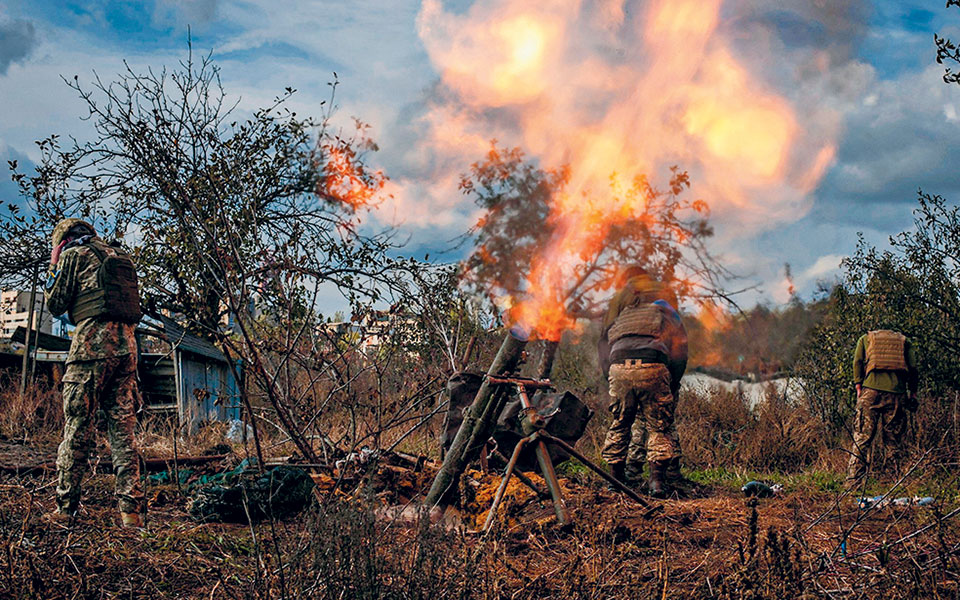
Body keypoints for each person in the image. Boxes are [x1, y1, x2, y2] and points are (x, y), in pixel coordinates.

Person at [44, 218, 145, 527]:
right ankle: (132, 515)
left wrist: (54, 264)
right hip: (127, 350)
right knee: (123, 433)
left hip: (90, 351)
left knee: (77, 429)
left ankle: (65, 508)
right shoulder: (118, 256)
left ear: (62, 241)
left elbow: (55, 304)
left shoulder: (73, 256)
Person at [598, 266, 686, 497]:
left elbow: (603, 343)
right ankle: (657, 484)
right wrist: (673, 380)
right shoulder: (664, 305)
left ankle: (614, 482)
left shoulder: (620, 308)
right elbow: (680, 345)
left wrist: (609, 373)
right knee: (659, 426)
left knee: (620, 422)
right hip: (653, 363)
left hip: (618, 365)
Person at [846, 329, 919, 489]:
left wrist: (859, 386)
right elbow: (913, 368)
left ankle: (853, 483)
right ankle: (891, 483)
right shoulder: (905, 341)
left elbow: (857, 362)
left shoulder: (866, 338)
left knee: (862, 438)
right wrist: (912, 393)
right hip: (897, 394)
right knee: (893, 440)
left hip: (870, 393)